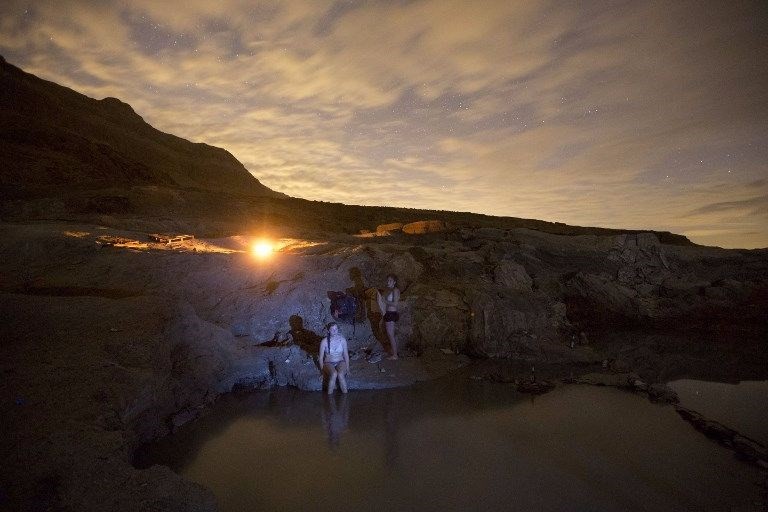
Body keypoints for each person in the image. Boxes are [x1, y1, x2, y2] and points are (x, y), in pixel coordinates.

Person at [318, 322, 351, 394]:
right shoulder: (324, 342)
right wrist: (322, 371)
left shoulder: (342, 340)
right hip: (328, 362)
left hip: (340, 361)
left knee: (340, 374)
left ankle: (345, 397)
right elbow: (320, 358)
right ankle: (329, 399)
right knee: (334, 374)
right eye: (332, 329)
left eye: (336, 329)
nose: (334, 331)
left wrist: (348, 369)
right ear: (328, 331)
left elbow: (346, 354)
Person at [377, 274, 400, 360]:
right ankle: (393, 352)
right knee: (389, 334)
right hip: (388, 313)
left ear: (394, 282)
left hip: (392, 313)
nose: (388, 282)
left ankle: (395, 355)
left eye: (390, 281)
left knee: (391, 335)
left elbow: (395, 304)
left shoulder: (395, 290)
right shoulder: (389, 290)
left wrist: (385, 301)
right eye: (387, 280)